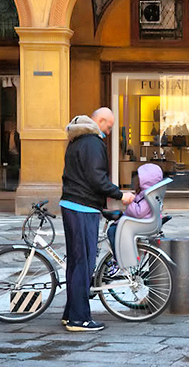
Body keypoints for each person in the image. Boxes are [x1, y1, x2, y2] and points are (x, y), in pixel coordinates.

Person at [60, 108, 134, 332]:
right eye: (109, 126)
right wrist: (121, 195)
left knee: (75, 262)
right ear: (100, 121)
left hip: (71, 204)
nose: (109, 131)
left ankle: (70, 313)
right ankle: (79, 319)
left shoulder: (77, 140)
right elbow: (96, 179)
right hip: (83, 207)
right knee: (84, 263)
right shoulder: (92, 143)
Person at [107, 163, 163, 259]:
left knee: (112, 231)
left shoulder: (148, 195)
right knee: (114, 228)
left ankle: (120, 259)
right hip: (142, 222)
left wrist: (130, 202)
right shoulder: (149, 192)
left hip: (140, 223)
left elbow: (139, 212)